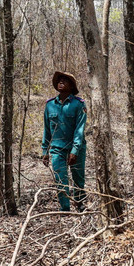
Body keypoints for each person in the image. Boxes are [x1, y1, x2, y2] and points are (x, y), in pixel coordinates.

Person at [41, 71, 87, 212]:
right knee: (60, 180)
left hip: (76, 149)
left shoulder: (79, 104)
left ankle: (79, 204)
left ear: (71, 86)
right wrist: (45, 151)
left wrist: (75, 150)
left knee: (78, 178)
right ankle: (65, 208)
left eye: (64, 80)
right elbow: (47, 130)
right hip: (56, 149)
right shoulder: (50, 105)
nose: (61, 82)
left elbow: (80, 129)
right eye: (59, 80)